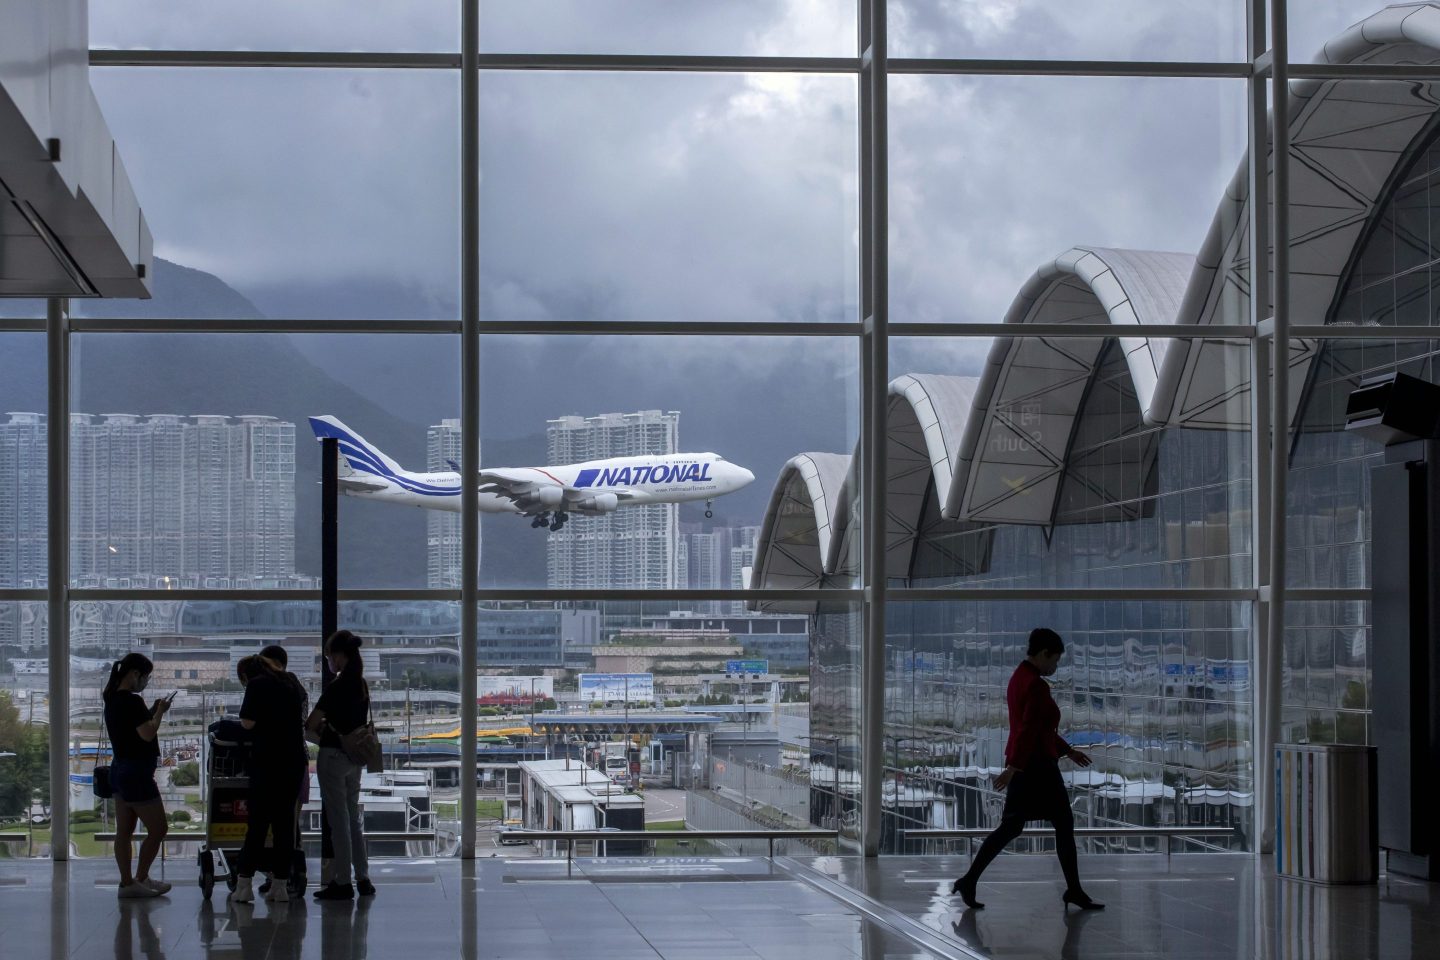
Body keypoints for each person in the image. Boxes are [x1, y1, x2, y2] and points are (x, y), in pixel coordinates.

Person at [951, 628, 1104, 911]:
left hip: (1029, 764)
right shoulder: (1035, 685)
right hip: (1037, 768)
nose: (1055, 667)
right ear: (1044, 654)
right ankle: (1073, 890)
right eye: (1055, 660)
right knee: (1060, 824)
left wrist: (1066, 750)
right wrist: (1014, 767)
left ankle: (970, 880)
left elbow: (1037, 729)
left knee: (1013, 826)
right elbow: (1029, 729)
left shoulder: (1018, 678)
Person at [231, 654, 308, 904]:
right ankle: (280, 886)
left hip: (267, 762)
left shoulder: (257, 684)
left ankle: (243, 886)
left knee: (258, 824)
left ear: (247, 675)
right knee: (285, 825)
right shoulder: (291, 682)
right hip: (293, 761)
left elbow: (247, 722)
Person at [306, 630, 375, 900]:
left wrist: (323, 725)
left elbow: (311, 723)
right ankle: (363, 878)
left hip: (333, 756)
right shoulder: (361, 684)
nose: (328, 662)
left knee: (338, 822)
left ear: (339, 655)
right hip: (354, 758)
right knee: (353, 821)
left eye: (329, 656)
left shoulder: (336, 686)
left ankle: (343, 882)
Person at [102, 652, 173, 899]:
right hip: (137, 774)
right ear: (134, 674)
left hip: (119, 770)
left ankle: (127, 882)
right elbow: (147, 733)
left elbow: (133, 727)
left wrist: (151, 709)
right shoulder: (132, 701)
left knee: (124, 831)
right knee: (159, 828)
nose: (145, 682)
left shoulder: (111, 698)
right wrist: (160, 711)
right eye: (145, 677)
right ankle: (141, 877)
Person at [257, 644, 310, 899]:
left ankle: (278, 875)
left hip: (278, 761)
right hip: (297, 762)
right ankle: (286, 875)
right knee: (289, 824)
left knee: (273, 824)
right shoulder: (297, 688)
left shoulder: (277, 687)